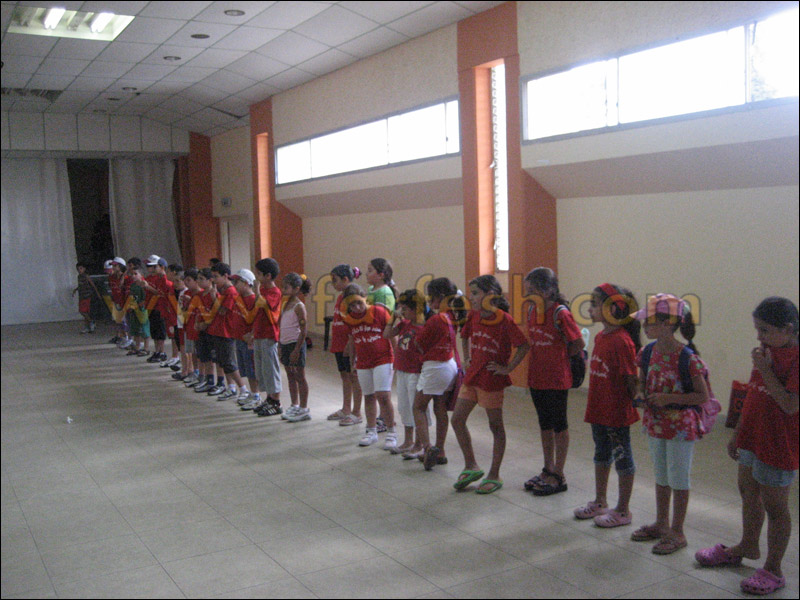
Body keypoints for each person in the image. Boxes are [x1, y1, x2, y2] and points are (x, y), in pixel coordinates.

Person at [695, 297, 798, 595]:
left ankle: (774, 569)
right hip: (754, 436)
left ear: (788, 329)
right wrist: (738, 432)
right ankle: (747, 545)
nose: (758, 336)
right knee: (749, 492)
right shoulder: (767, 352)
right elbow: (754, 393)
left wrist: (764, 369)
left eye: (764, 330)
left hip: (779, 443)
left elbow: (790, 404)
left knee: (775, 506)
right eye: (757, 329)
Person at [629, 293, 709, 555]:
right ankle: (662, 522)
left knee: (679, 477)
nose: (644, 326)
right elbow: (642, 381)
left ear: (668, 323)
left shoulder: (687, 358)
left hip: (681, 428)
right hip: (656, 424)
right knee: (662, 475)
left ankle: (678, 530)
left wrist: (669, 399)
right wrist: (641, 394)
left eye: (649, 321)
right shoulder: (647, 352)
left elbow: (702, 396)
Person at [451, 275, 529, 494]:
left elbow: (523, 345)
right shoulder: (473, 315)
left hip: (491, 380)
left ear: (490, 294)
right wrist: (467, 358)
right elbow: (464, 335)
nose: (471, 297)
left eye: (475, 293)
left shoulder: (504, 320)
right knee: (457, 420)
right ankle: (471, 465)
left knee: (495, 426)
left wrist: (508, 368)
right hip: (473, 377)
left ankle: (494, 474)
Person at [574, 283, 641, 527]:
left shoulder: (622, 341)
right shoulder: (601, 337)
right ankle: (600, 501)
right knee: (601, 454)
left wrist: (633, 403)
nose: (589, 309)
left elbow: (630, 380)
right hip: (598, 410)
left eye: (594, 304)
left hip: (616, 413)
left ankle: (623, 510)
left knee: (622, 458)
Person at [523, 267, 585, 495]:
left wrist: (560, 358)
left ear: (548, 291)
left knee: (560, 425)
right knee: (544, 424)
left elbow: (578, 343)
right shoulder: (532, 311)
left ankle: (559, 473)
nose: (528, 295)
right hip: (537, 377)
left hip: (557, 379)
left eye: (532, 290)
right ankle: (547, 468)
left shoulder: (560, 313)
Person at [410, 277, 460, 470]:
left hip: (435, 367)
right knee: (440, 407)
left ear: (440, 297)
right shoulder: (454, 316)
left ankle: (428, 448)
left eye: (431, 296)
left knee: (418, 407)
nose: (429, 300)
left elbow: (419, 343)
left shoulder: (437, 319)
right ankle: (440, 451)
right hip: (449, 365)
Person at [340, 283, 397, 448]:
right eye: (352, 305)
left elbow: (392, 336)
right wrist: (353, 363)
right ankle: (371, 431)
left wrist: (398, 358)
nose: (357, 308)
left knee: (383, 396)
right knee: (369, 396)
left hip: (383, 359)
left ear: (365, 298)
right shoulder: (350, 319)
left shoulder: (379, 312)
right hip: (363, 362)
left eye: (359, 303)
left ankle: (391, 432)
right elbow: (352, 340)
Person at [383, 289, 432, 455]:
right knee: (404, 407)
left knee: (416, 408)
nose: (402, 312)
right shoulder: (404, 324)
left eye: (404, 309)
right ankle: (408, 440)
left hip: (416, 372)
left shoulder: (425, 327)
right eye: (400, 308)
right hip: (402, 370)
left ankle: (419, 444)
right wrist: (393, 317)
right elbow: (386, 334)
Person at [204, 262, 250, 401]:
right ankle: (231, 388)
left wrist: (214, 297)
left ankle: (243, 389)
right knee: (223, 361)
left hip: (226, 332)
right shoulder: (223, 291)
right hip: (219, 331)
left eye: (216, 276)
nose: (214, 280)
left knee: (229, 362)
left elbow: (222, 311)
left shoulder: (230, 292)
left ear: (225, 276)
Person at [326, 264, 363, 426]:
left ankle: (357, 412)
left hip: (349, 344)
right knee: (344, 376)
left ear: (345, 279)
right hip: (339, 343)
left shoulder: (352, 298)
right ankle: (346, 408)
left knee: (354, 377)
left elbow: (355, 322)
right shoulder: (340, 298)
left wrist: (350, 342)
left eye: (335, 280)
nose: (333, 283)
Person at [250, 258, 283, 416]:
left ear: (268, 276)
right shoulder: (262, 290)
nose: (256, 277)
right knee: (262, 369)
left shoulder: (274, 292)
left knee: (271, 369)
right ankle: (269, 398)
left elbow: (264, 304)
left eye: (258, 274)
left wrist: (256, 291)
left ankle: (276, 402)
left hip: (269, 335)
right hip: (259, 334)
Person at [279, 273, 312, 422]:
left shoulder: (299, 306)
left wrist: (297, 350)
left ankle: (304, 409)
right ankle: (294, 404)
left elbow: (304, 331)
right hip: (285, 344)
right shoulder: (285, 304)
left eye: (286, 287)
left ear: (297, 288)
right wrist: (280, 345)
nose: (283, 290)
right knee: (290, 375)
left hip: (295, 344)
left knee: (300, 376)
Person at [230, 269, 259, 406]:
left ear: (247, 283)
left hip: (248, 341)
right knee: (246, 369)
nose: (234, 285)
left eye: (237, 282)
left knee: (252, 369)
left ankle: (256, 395)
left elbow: (256, 319)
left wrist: (252, 334)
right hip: (239, 339)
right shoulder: (238, 299)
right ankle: (252, 393)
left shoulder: (253, 299)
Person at [141, 255, 173, 364]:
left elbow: (160, 293)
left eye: (152, 266)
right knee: (154, 331)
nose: (149, 268)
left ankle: (162, 352)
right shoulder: (155, 278)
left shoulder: (165, 280)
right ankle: (157, 351)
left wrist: (147, 287)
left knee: (160, 331)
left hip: (160, 308)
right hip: (152, 307)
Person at [125, 267, 151, 356]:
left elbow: (146, 298)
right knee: (135, 328)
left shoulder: (143, 285)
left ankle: (146, 348)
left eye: (136, 274)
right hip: (134, 309)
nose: (133, 276)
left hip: (142, 309)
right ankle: (137, 347)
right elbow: (131, 296)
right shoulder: (132, 286)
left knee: (144, 328)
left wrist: (140, 304)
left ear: (141, 275)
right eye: (132, 274)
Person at [72, 261, 96, 333]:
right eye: (78, 269)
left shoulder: (86, 276)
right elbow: (80, 286)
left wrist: (97, 294)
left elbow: (93, 285)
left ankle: (91, 322)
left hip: (87, 296)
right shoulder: (79, 277)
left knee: (82, 311)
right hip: (81, 296)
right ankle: (87, 327)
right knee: (85, 312)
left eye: (81, 268)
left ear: (84, 269)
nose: (79, 270)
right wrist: (76, 289)